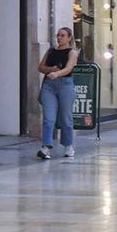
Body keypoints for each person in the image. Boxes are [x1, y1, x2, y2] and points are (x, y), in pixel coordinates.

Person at [36, 27, 80, 160]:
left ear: (69, 38)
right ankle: (46, 147)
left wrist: (57, 73)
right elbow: (40, 67)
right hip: (49, 86)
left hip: (65, 85)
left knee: (66, 117)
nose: (59, 38)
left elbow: (69, 68)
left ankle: (68, 145)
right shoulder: (51, 51)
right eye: (58, 35)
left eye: (62, 35)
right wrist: (51, 70)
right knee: (48, 118)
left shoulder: (72, 52)